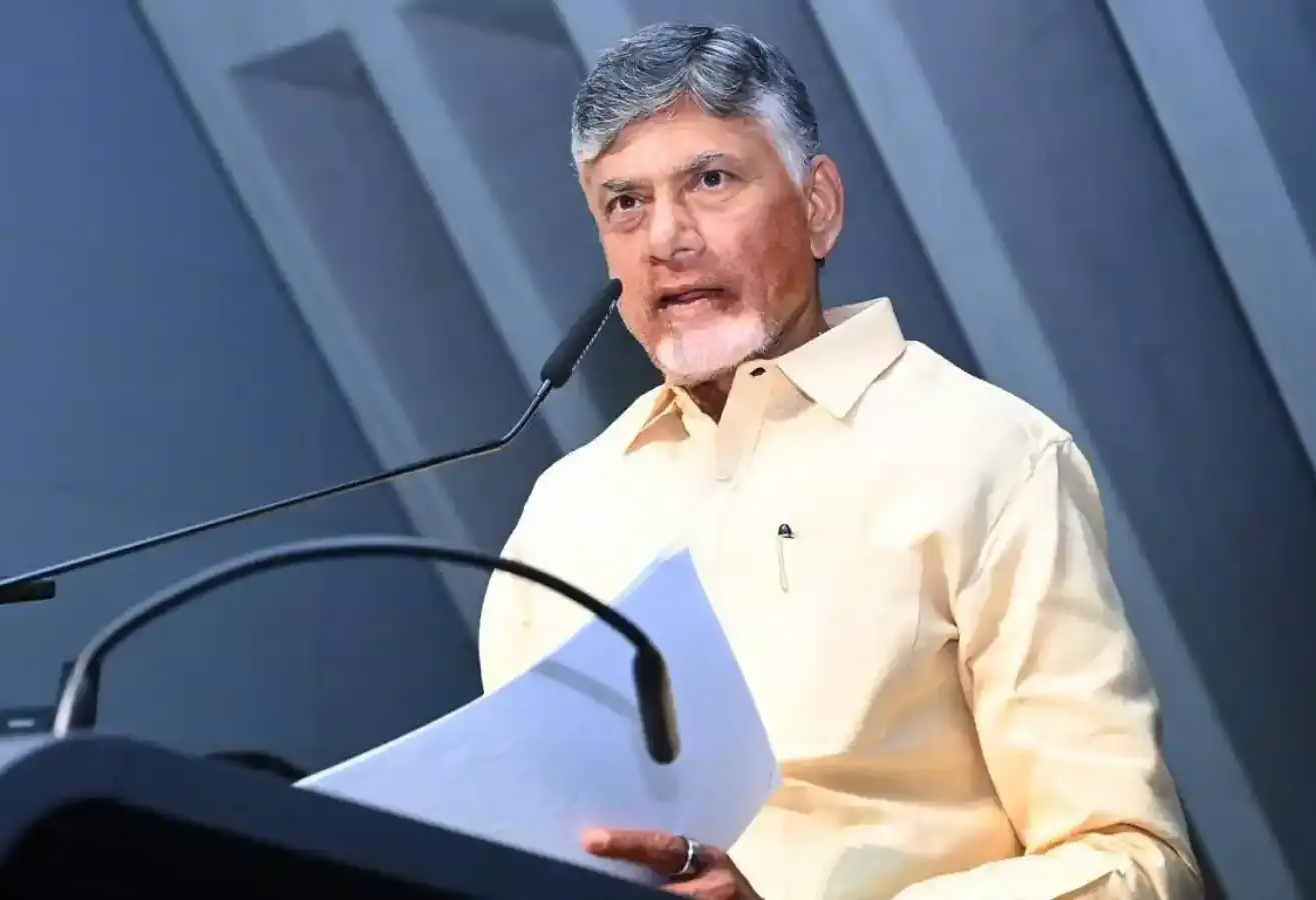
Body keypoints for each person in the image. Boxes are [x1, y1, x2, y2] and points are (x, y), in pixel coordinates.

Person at [477, 22, 1202, 900]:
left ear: (818, 205)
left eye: (711, 180)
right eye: (624, 203)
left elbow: (1133, 862)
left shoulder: (988, 456)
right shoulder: (564, 510)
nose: (665, 238)